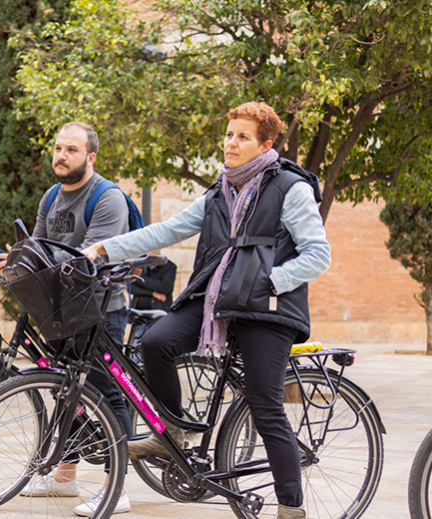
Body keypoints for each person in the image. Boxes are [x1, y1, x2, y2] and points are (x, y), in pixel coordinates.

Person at [86, 102, 331, 519]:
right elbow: (166, 230)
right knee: (157, 341)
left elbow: (318, 255)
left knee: (264, 403)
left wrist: (269, 282)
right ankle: (173, 432)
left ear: (265, 144)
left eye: (242, 136)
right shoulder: (219, 191)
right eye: (229, 133)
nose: (230, 142)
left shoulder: (290, 187)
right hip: (217, 299)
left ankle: (291, 508)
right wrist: (105, 247)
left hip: (268, 310)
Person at [0, 121, 134, 515]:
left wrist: (37, 260)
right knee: (66, 389)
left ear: (90, 157)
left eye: (71, 149)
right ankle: (65, 476)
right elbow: (37, 247)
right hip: (59, 309)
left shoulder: (108, 199)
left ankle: (115, 487)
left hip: (101, 310)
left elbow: (88, 261)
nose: (61, 155)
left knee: (105, 393)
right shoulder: (51, 196)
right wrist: (15, 260)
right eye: (57, 148)